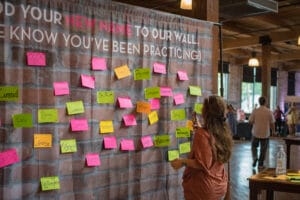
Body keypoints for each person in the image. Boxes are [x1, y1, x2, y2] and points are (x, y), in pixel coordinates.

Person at [170, 95, 233, 200]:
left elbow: (202, 164)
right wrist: (199, 128)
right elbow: (211, 144)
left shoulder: (202, 134)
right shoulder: (222, 131)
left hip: (203, 189)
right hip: (219, 186)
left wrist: (182, 161)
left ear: (206, 113)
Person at [248, 96, 275, 169]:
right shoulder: (269, 111)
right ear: (265, 102)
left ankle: (255, 157)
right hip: (265, 133)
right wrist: (273, 131)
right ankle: (260, 164)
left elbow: (250, 121)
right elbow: (272, 123)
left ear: (259, 102)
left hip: (256, 132)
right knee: (263, 149)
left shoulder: (255, 111)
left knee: (254, 147)